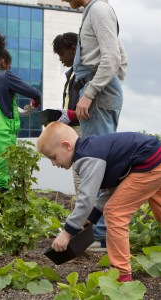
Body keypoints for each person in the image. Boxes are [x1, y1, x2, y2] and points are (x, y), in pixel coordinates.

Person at [36, 122, 161, 282]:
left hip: (150, 164)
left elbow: (86, 198)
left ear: (67, 146)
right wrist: (91, 218)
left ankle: (121, 274)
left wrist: (67, 233)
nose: (54, 163)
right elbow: (111, 190)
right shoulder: (94, 149)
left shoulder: (87, 157)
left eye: (53, 157)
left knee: (115, 213)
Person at [50, 0, 128, 137]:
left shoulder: (99, 10)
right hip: (97, 95)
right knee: (95, 155)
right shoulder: (92, 11)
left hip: (97, 98)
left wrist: (92, 93)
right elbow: (121, 56)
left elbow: (113, 58)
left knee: (96, 157)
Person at [0, 32, 42, 237]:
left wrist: (17, 111)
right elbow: (35, 94)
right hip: (0, 135)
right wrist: (33, 106)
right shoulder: (6, 76)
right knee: (1, 179)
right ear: (4, 62)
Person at [52, 32, 107, 252]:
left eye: (62, 53)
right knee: (82, 185)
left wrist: (69, 115)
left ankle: (95, 235)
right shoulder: (72, 76)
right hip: (75, 133)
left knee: (89, 186)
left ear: (74, 49)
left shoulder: (86, 76)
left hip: (83, 135)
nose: (60, 59)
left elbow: (87, 109)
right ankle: (87, 233)